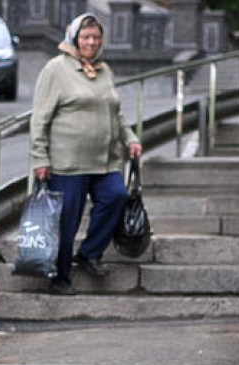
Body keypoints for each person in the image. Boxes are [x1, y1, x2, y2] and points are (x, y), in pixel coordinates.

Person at [30, 13, 142, 295]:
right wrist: (40, 158)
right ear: (73, 38)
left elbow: (116, 113)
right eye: (85, 37)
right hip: (67, 162)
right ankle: (61, 277)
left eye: (96, 37)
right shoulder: (55, 70)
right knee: (67, 220)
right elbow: (39, 118)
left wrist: (130, 138)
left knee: (116, 196)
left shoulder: (104, 71)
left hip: (105, 160)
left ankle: (90, 252)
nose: (91, 42)